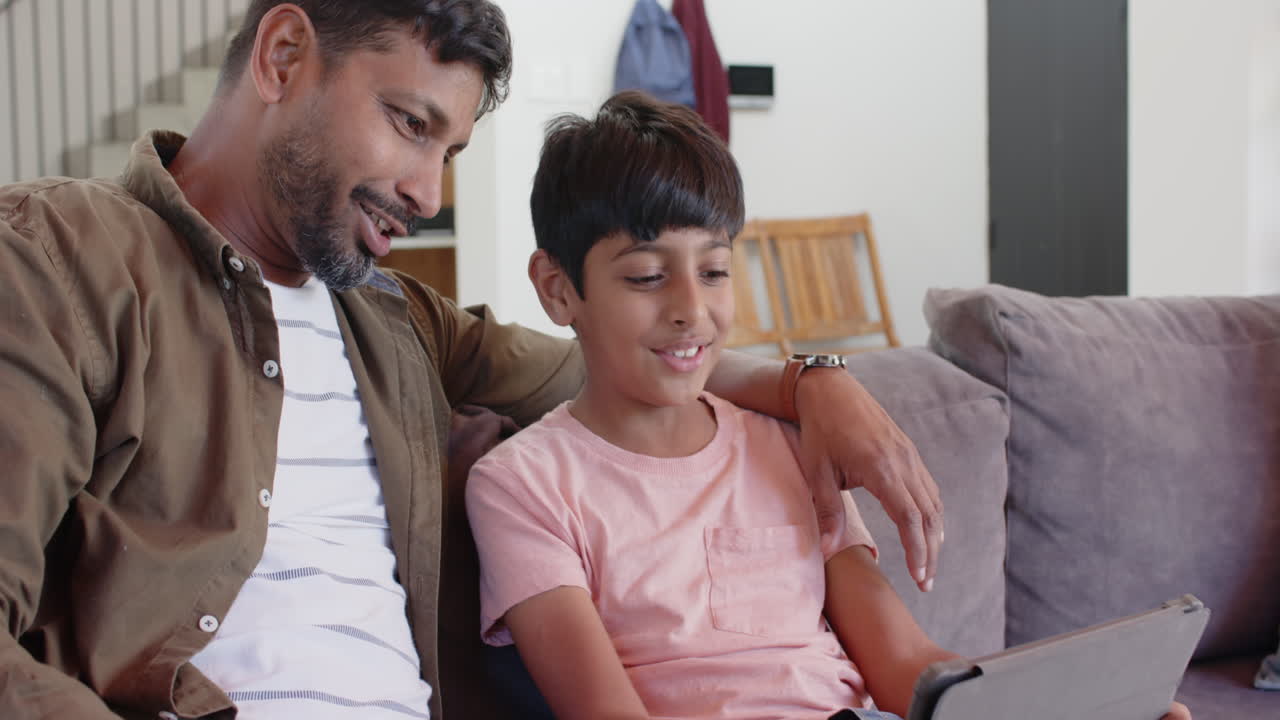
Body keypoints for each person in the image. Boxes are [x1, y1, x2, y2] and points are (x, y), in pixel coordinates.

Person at [0, 2, 944, 719]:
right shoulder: (59, 263)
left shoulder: (397, 320)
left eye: (451, 149)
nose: (428, 191)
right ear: (284, 57)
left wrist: (817, 380)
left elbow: (628, 359)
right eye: (411, 125)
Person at [465, 92, 1194, 720]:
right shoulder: (523, 484)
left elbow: (907, 665)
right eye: (648, 276)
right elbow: (602, 712)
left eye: (715, 270)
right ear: (559, 289)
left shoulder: (788, 443)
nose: (693, 309)